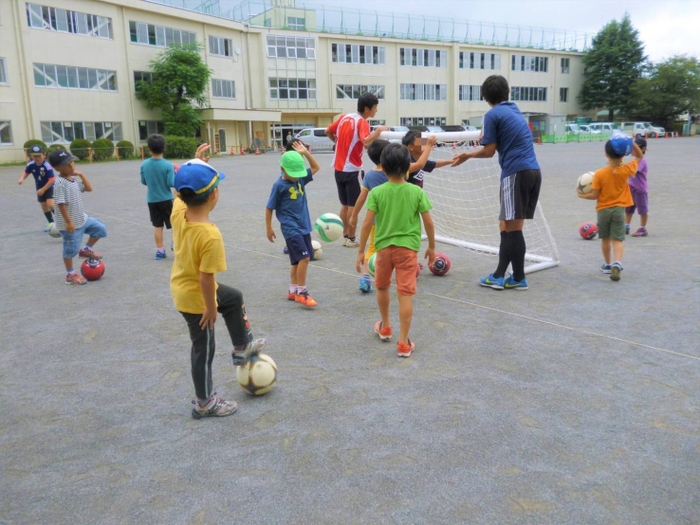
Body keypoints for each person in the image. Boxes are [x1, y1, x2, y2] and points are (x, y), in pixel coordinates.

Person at [171, 144, 265, 419]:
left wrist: (196, 163)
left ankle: (241, 347)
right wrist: (211, 308)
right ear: (214, 195)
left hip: (185, 286)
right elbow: (206, 278)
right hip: (197, 298)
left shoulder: (179, 212)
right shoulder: (210, 235)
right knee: (204, 348)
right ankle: (204, 403)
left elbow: (179, 192)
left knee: (233, 297)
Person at [452, 75, 542, 291]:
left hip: (515, 172)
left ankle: (513, 277)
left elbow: (489, 151)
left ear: (485, 97)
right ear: (507, 92)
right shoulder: (514, 109)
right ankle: (504, 275)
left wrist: (467, 155)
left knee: (511, 227)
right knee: (508, 225)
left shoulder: (492, 115)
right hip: (533, 171)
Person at [356, 143, 436, 357]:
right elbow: (428, 223)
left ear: (382, 165)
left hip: (383, 250)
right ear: (408, 166)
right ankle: (403, 342)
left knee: (382, 288)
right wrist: (432, 247)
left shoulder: (377, 192)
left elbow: (366, 224)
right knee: (405, 293)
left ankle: (385, 327)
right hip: (408, 251)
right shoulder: (416, 191)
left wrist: (361, 252)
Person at [325, 93, 388, 247]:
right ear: (367, 109)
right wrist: (378, 132)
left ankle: (345, 235)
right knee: (353, 206)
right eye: (375, 108)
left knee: (345, 204)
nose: (376, 111)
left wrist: (338, 143)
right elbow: (366, 141)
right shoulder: (362, 122)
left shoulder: (344, 117)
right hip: (351, 168)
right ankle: (351, 238)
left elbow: (328, 131)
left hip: (338, 168)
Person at [578, 134, 643, 281]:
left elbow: (594, 195)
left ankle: (607, 265)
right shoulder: (626, 169)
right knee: (618, 240)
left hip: (603, 211)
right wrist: (630, 142)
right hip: (619, 210)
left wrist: (581, 195)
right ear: (623, 154)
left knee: (605, 239)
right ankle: (617, 263)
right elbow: (639, 157)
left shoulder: (599, 174)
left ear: (606, 154)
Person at [266, 141, 321, 308]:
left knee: (296, 261)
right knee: (305, 257)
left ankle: (292, 290)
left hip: (304, 225)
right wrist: (269, 228)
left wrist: (305, 153)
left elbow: (316, 167)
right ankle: (302, 292)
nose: (296, 176)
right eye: (293, 173)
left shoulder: (299, 179)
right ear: (282, 169)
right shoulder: (279, 185)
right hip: (290, 227)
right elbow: (269, 207)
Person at [48, 149, 107, 285]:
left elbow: (88, 188)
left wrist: (81, 174)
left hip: (82, 219)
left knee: (100, 229)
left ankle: (85, 250)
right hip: (69, 224)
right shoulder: (60, 183)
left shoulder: (73, 179)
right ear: (57, 168)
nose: (71, 165)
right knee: (70, 250)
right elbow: (61, 204)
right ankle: (70, 275)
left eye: (72, 162)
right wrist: (68, 222)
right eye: (67, 164)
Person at [349, 139, 389, 293]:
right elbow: (419, 165)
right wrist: (428, 144)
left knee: (372, 247)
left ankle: (366, 277)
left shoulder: (370, 176)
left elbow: (361, 197)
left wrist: (354, 215)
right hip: (395, 220)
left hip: (375, 220)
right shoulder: (399, 171)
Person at [140, 134, 175, 260]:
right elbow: (171, 183)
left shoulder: (144, 164)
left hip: (152, 200)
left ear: (149, 148)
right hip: (166, 198)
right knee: (174, 224)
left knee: (158, 226)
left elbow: (143, 181)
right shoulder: (167, 165)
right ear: (164, 148)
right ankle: (175, 244)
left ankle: (160, 250)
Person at [18, 145, 55, 231]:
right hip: (39, 188)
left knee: (51, 205)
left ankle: (62, 222)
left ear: (44, 155)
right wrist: (22, 178)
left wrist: (43, 189)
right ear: (31, 156)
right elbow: (26, 172)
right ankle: (51, 223)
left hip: (49, 187)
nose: (37, 158)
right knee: (44, 206)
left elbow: (52, 180)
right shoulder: (31, 164)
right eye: (35, 156)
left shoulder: (47, 165)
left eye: (39, 155)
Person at [625, 136, 649, 237]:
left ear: (643, 149)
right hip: (631, 188)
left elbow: (633, 171)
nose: (633, 150)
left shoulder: (642, 161)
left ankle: (643, 228)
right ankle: (626, 226)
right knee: (628, 208)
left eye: (635, 148)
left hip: (640, 189)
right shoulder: (634, 160)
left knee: (642, 209)